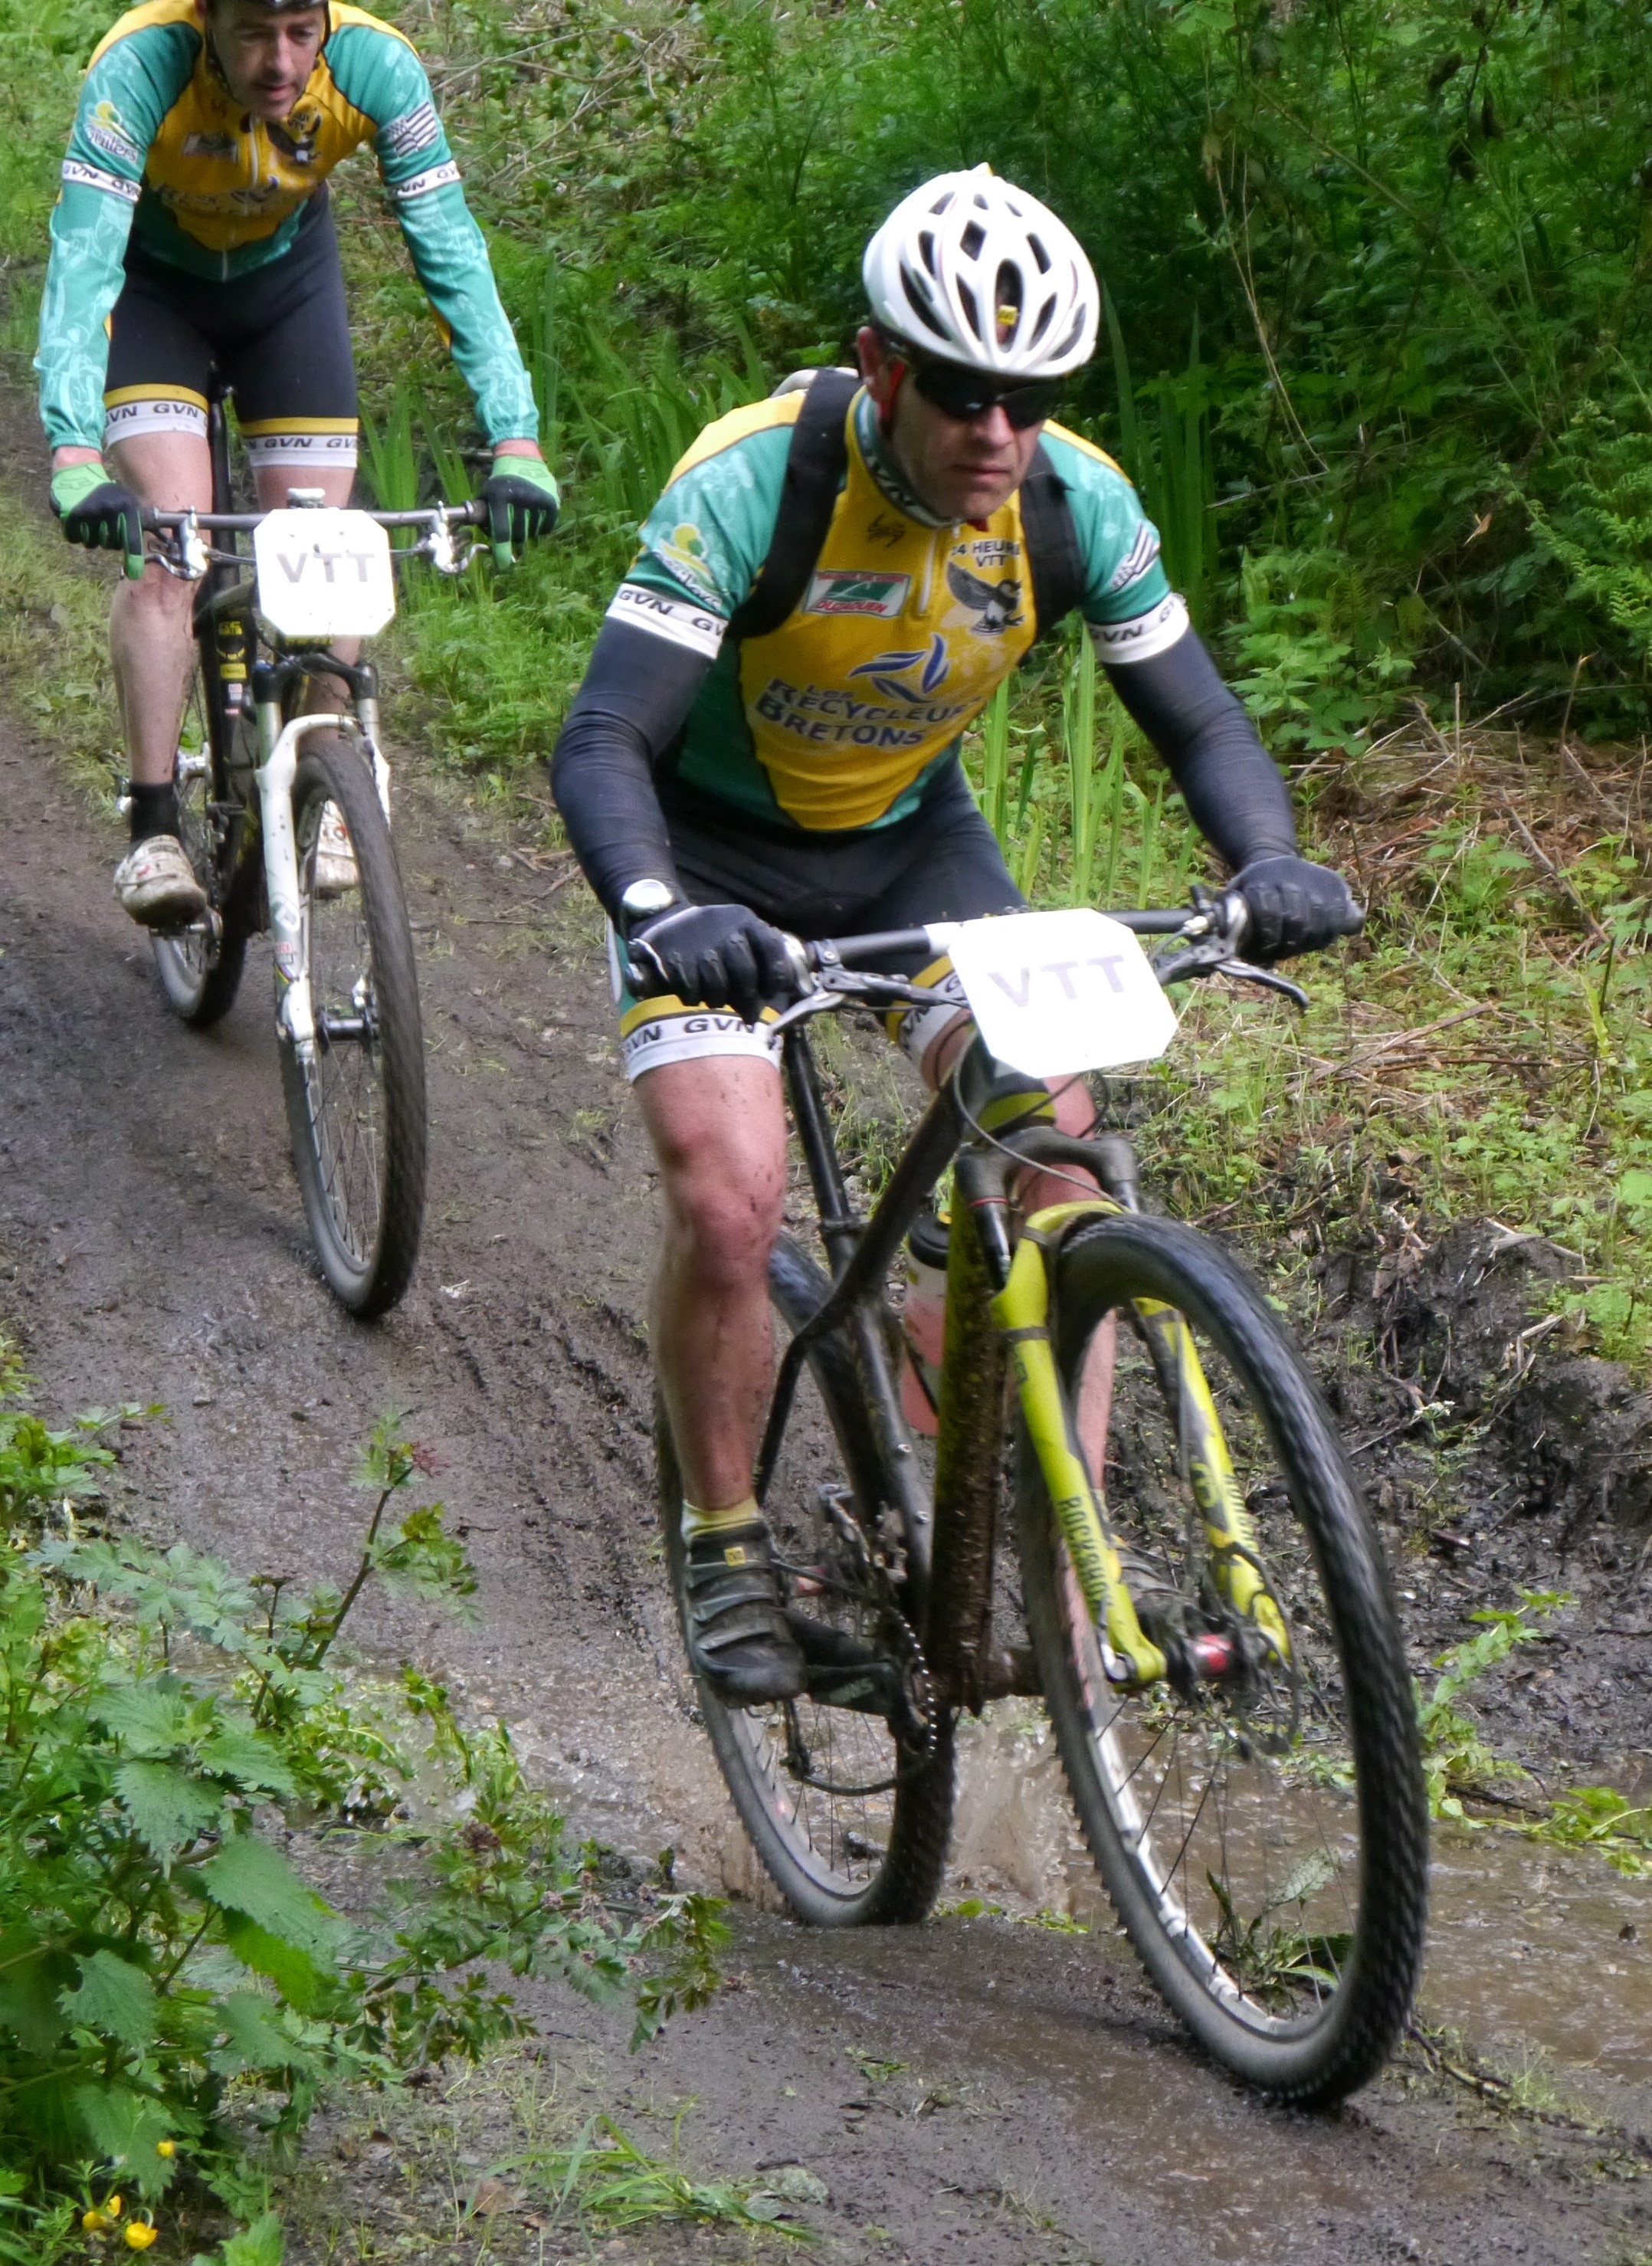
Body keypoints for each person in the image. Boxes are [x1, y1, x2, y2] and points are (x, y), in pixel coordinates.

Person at [552, 166, 1361, 1707]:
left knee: (1060, 1152)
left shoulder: (1073, 505)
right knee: (730, 1196)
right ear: (880, 365)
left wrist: (1267, 859)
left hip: (912, 856)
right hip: (708, 864)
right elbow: (602, 738)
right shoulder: (753, 481)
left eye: (1032, 399)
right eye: (965, 393)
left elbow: (1196, 718)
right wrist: (659, 908)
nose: (999, 431)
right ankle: (725, 1538)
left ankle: (1047, 1547)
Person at [38, 0, 559, 927]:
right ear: (206, 18)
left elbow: (450, 248)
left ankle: (331, 769)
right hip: (153, 294)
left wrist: (515, 437)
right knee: (170, 545)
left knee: (326, 545)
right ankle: (153, 823)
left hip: (287, 292)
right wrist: (76, 449)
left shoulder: (376, 66)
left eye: (299, 32)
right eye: (251, 32)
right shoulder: (139, 66)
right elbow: (83, 260)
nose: (279, 62)